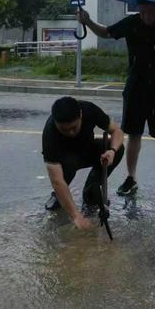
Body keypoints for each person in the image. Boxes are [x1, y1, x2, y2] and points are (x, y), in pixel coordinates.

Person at [78, 0, 155, 198]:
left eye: (151, 12)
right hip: (135, 87)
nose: (146, 16)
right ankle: (131, 178)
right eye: (142, 12)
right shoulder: (131, 23)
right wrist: (88, 22)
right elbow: (106, 32)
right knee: (134, 133)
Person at [42, 96, 124, 231]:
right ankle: (58, 196)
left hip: (87, 150)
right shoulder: (50, 133)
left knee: (119, 148)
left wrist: (112, 151)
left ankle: (92, 187)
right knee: (67, 167)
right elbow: (57, 180)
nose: (70, 132)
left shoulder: (89, 110)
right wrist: (76, 216)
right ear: (56, 123)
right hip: (66, 160)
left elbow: (117, 131)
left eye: (74, 127)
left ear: (80, 115)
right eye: (64, 130)